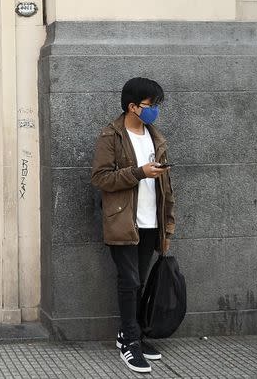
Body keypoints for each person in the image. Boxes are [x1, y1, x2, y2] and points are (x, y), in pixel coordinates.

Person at [91, 77, 176, 374]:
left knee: (138, 281)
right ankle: (130, 342)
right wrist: (138, 173)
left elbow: (165, 185)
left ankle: (131, 334)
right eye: (151, 105)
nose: (155, 110)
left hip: (151, 220)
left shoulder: (155, 136)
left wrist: (167, 218)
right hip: (123, 220)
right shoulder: (110, 136)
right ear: (132, 106)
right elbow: (101, 178)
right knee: (130, 282)